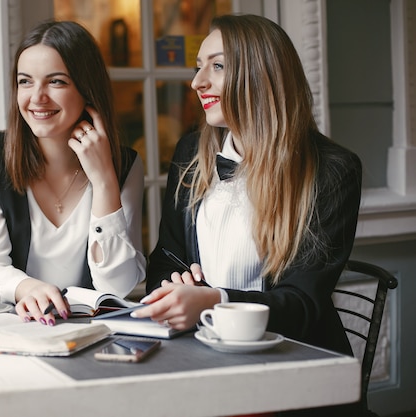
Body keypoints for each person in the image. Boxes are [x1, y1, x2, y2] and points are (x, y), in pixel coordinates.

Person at [131, 14, 362, 416]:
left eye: (217, 66)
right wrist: (178, 284)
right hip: (200, 360)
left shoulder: (332, 171)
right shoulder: (191, 154)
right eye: (198, 66)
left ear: (261, 74)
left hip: (293, 373)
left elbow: (303, 303)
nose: (197, 82)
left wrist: (212, 300)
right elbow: (164, 259)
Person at [0, 20, 146, 326]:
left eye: (56, 82)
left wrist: (104, 181)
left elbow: (118, 285)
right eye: (25, 81)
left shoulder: (125, 166)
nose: (37, 97)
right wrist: (28, 288)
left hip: (89, 335)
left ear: (87, 89)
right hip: (12, 328)